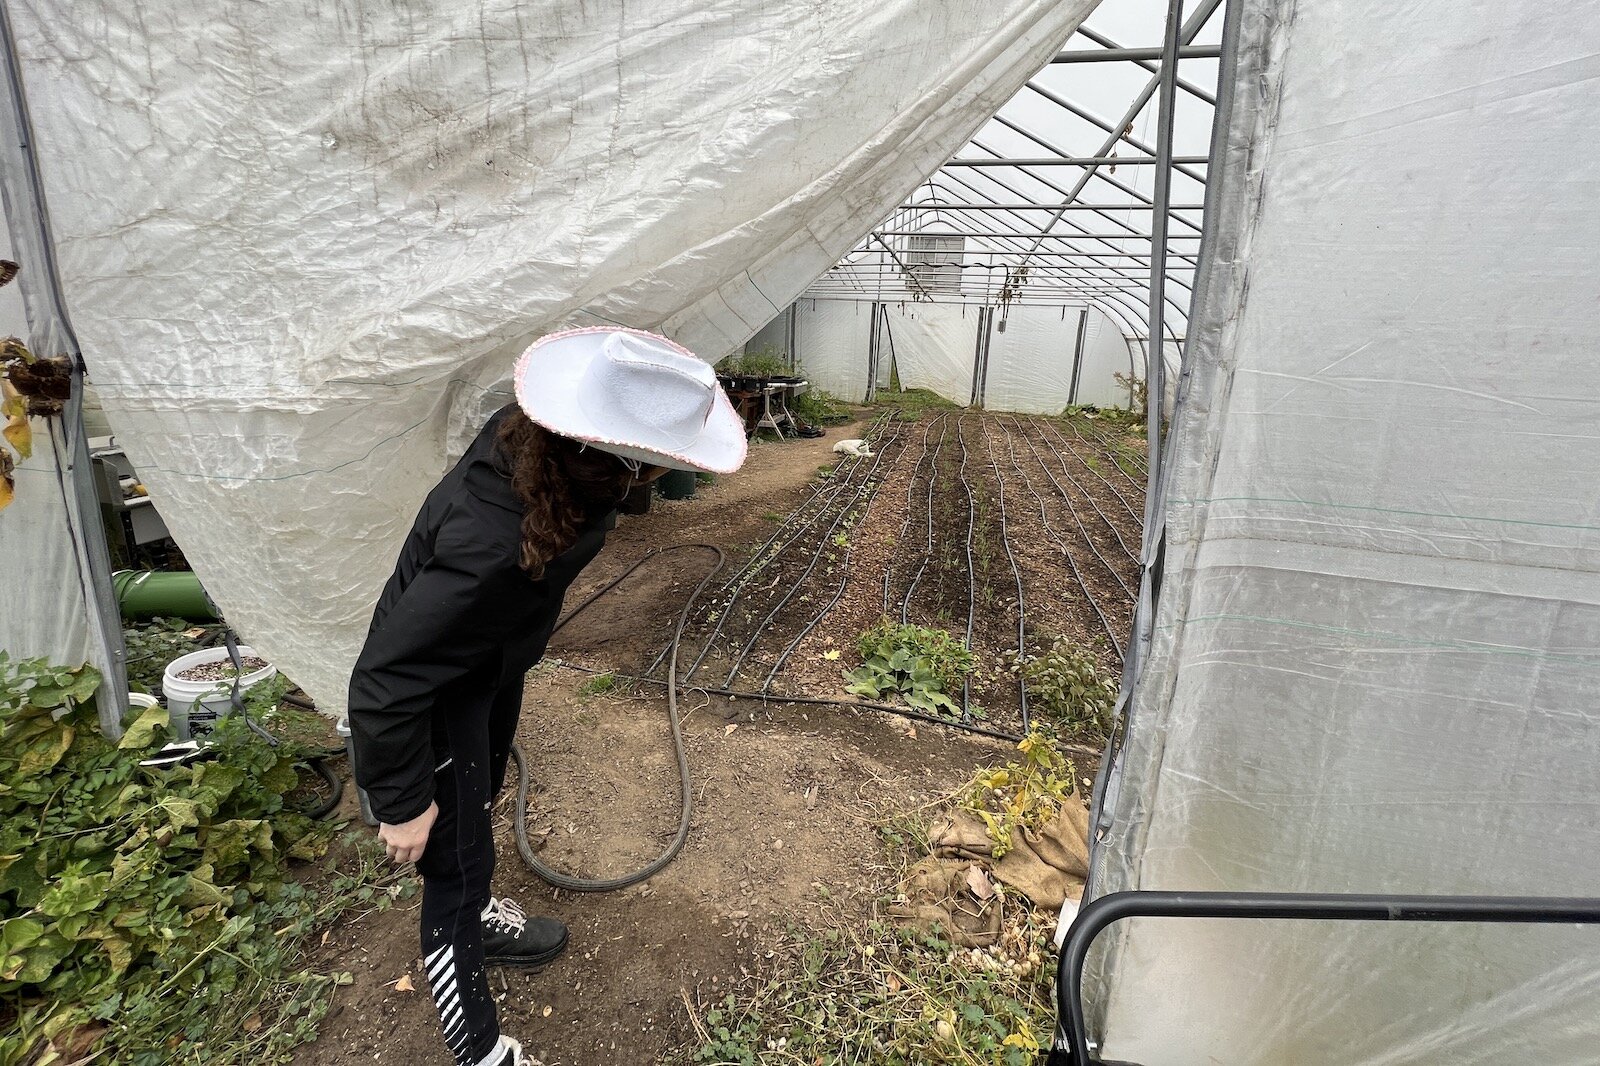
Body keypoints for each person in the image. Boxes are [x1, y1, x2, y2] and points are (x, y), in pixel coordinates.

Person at [346, 328, 747, 1066]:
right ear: (611, 462)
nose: (657, 478)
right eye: (652, 466)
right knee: (452, 867)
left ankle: (481, 916)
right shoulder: (490, 549)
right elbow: (385, 678)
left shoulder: (539, 450)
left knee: (483, 799)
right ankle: (481, 1050)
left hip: (484, 667)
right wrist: (401, 800)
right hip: (433, 695)